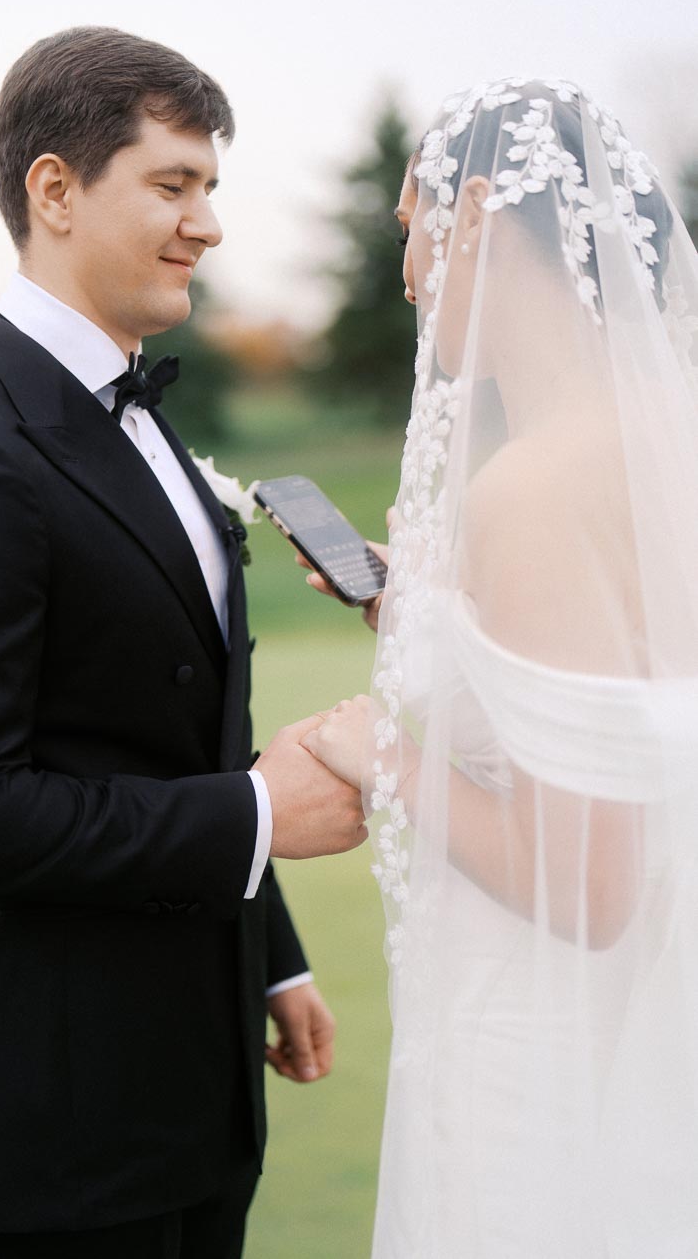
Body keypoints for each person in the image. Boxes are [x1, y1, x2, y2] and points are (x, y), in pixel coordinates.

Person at [0, 26, 366, 1259]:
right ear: (56, 190)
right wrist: (255, 817)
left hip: (197, 1090)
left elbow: (176, 736)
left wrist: (272, 958)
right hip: (45, 1125)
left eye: (211, 189)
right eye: (173, 185)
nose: (208, 224)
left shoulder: (145, 422)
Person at [301, 77, 698, 1256]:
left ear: (475, 209)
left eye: (413, 228)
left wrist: (381, 755)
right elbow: (619, 696)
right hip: (637, 1038)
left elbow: (592, 883)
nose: (412, 276)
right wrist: (429, 621)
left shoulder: (530, 486)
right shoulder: (656, 451)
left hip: (538, 1045)